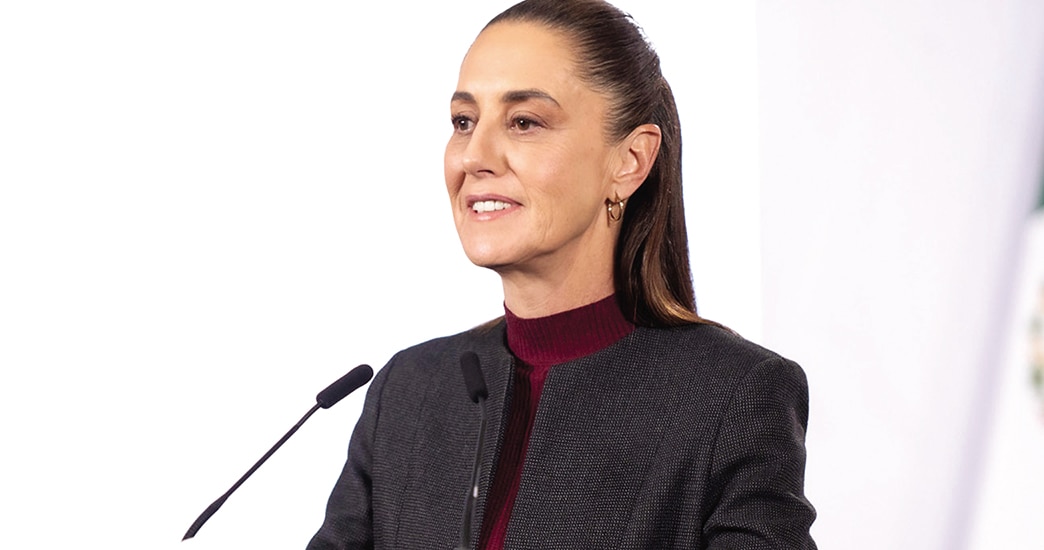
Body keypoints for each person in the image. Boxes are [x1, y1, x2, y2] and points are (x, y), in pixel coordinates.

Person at [307, 0, 816, 548]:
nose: (474, 156)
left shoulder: (734, 395)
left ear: (630, 161)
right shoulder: (407, 391)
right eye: (463, 121)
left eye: (524, 122)